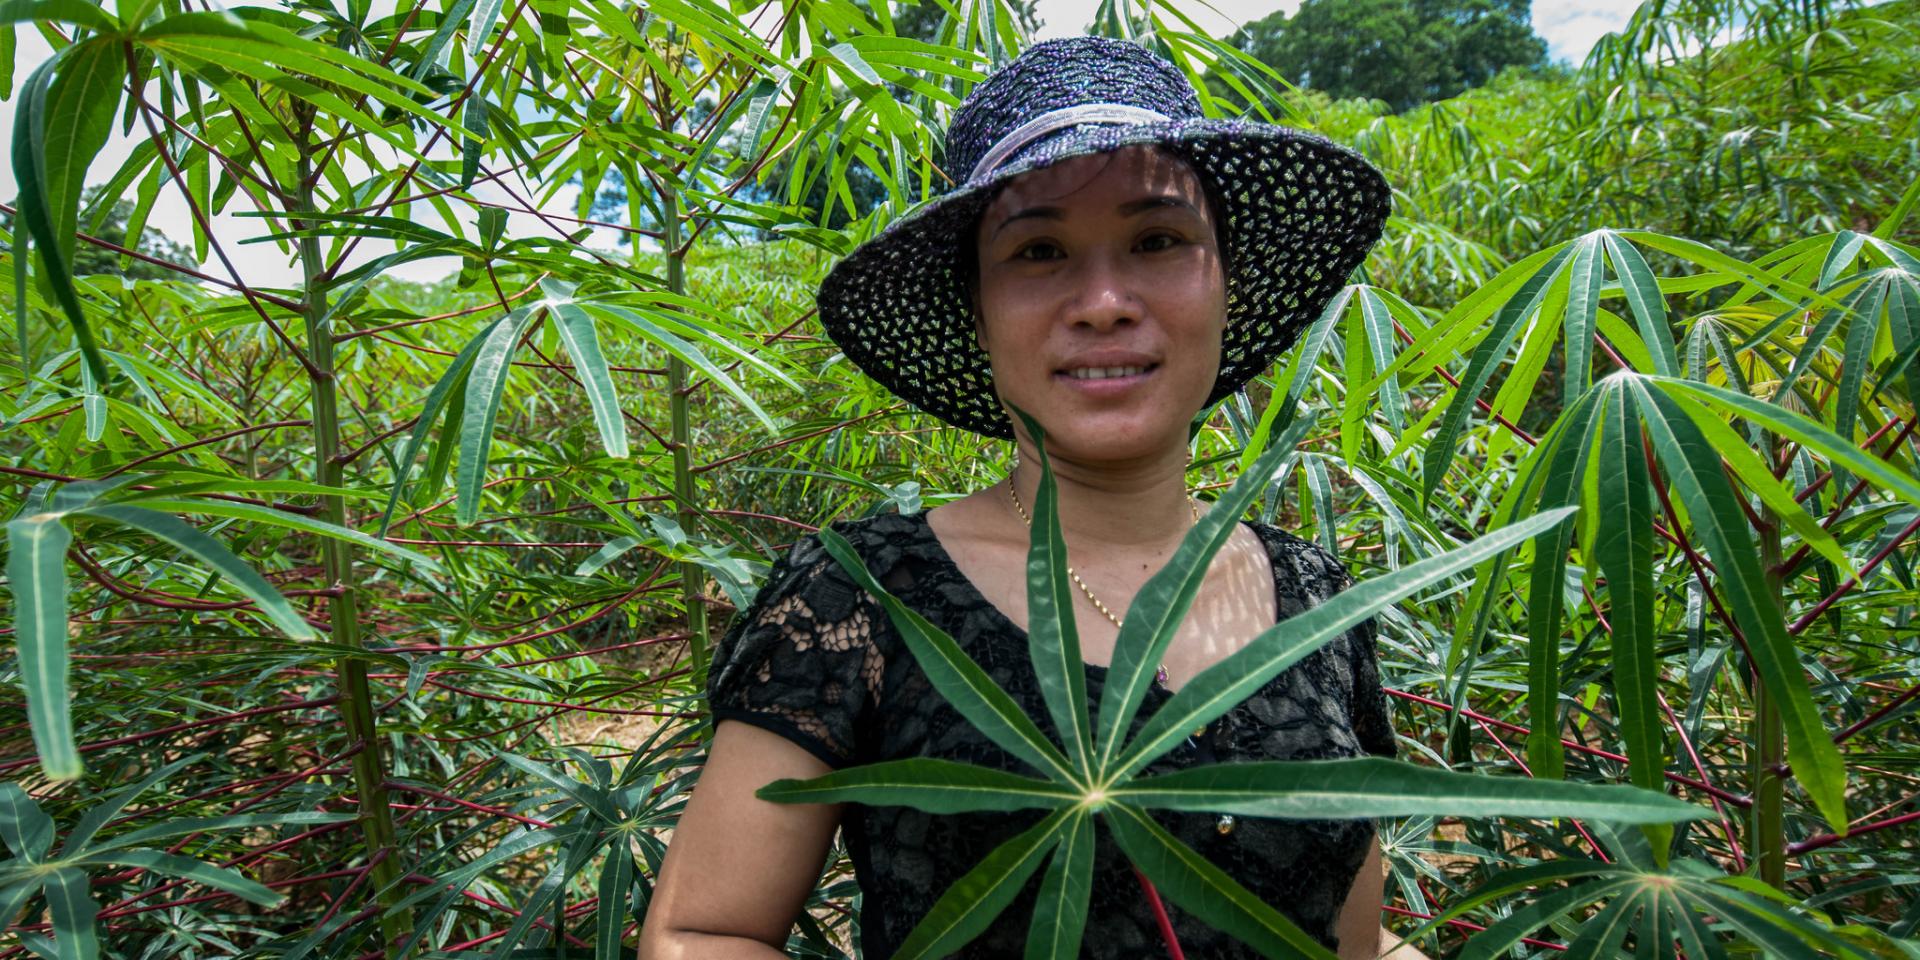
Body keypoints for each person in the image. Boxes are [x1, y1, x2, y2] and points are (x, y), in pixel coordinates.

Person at [641, 36, 1423, 959]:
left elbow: (1359, 943)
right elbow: (704, 932)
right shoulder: (860, 594)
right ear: (976, 309)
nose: (1102, 300)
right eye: (1040, 249)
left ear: (1227, 282)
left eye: (1159, 240)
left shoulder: (1320, 599)